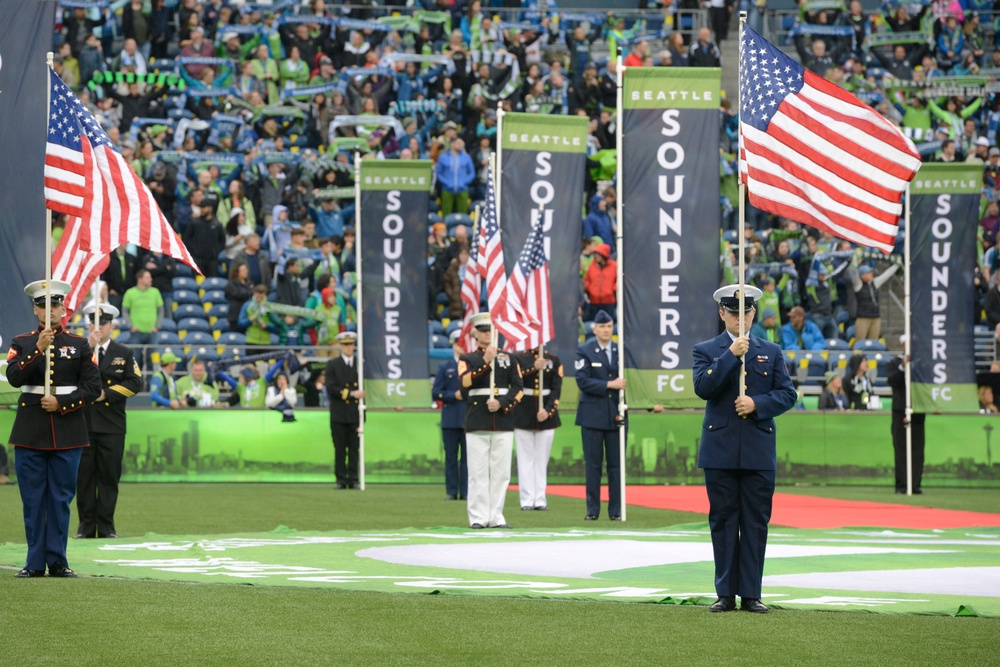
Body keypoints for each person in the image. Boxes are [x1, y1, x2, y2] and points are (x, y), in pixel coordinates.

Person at [692, 284, 796, 614]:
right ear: (722, 314)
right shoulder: (706, 350)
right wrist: (730, 355)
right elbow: (703, 387)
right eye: (734, 313)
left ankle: (751, 593)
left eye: (746, 312)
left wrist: (757, 403)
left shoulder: (772, 351)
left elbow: (787, 394)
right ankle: (725, 592)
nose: (741, 318)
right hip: (720, 448)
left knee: (754, 523)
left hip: (757, 448)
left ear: (753, 313)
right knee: (723, 521)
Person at [6, 280, 101, 578]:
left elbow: (93, 387)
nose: (51, 310)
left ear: (64, 308)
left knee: (60, 500)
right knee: (33, 500)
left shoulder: (79, 344)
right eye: (45, 305)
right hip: (30, 431)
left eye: (56, 305)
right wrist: (37, 349)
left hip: (68, 429)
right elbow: (13, 378)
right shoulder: (21, 341)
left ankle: (58, 560)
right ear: (36, 309)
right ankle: (34, 562)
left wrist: (60, 402)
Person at [76, 304, 142, 540]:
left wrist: (108, 393)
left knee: (108, 476)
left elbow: (136, 383)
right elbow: (68, 376)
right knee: (84, 478)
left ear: (111, 325)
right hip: (83, 423)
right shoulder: (80, 350)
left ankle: (106, 527)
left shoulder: (123, 353)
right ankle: (85, 527)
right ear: (88, 325)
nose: (98, 327)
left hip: (111, 425)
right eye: (94, 323)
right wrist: (89, 347)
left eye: (103, 323)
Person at [459, 312, 523, 529]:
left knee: (501, 473)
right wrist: (485, 362)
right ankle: (478, 516)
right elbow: (465, 383)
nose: (487, 334)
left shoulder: (509, 358)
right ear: (476, 334)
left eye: (490, 330)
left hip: (503, 421)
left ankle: (496, 516)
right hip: (477, 422)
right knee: (477, 473)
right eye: (484, 331)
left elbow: (519, 388)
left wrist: (503, 403)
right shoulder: (468, 359)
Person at [575, 310, 626, 521]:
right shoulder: (584, 351)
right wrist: (609, 385)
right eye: (602, 326)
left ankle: (616, 511)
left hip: (617, 414)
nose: (606, 330)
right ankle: (592, 510)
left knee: (616, 466)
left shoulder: (621, 350)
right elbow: (582, 381)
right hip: (592, 416)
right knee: (593, 466)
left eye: (609, 326)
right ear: (594, 329)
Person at [514, 346, 562, 512]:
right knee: (525, 460)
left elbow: (557, 388)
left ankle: (540, 498)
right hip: (524, 413)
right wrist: (532, 368)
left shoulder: (553, 359)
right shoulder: (519, 358)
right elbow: (516, 381)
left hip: (546, 414)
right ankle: (527, 499)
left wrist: (548, 411)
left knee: (542, 460)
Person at [432, 329, 468, 500]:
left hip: (468, 420)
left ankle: (467, 492)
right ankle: (452, 491)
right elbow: (436, 392)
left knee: (468, 460)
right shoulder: (445, 367)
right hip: (450, 419)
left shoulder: (472, 366)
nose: (462, 347)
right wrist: (452, 396)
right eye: (459, 343)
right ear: (454, 345)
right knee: (451, 458)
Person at [887, 335, 925, 494]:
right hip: (900, 410)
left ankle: (915, 484)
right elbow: (892, 382)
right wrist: (903, 367)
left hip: (917, 411)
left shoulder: (921, 364)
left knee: (917, 450)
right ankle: (902, 484)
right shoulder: (893, 363)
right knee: (901, 449)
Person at [326, 331, 364, 489]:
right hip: (339, 413)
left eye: (351, 344)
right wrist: (351, 394)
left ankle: (353, 478)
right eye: (346, 345)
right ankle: (341, 479)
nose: (349, 348)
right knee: (340, 448)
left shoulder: (360, 364)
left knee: (354, 448)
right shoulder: (333, 365)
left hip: (355, 413)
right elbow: (331, 388)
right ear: (340, 346)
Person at [847, 262, 900, 342]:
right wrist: (854, 262)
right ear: (862, 276)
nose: (871, 274)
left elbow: (887, 274)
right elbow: (853, 272)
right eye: (868, 273)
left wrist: (897, 264)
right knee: (860, 341)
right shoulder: (858, 285)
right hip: (863, 317)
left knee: (874, 342)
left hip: (876, 317)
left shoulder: (875, 283)